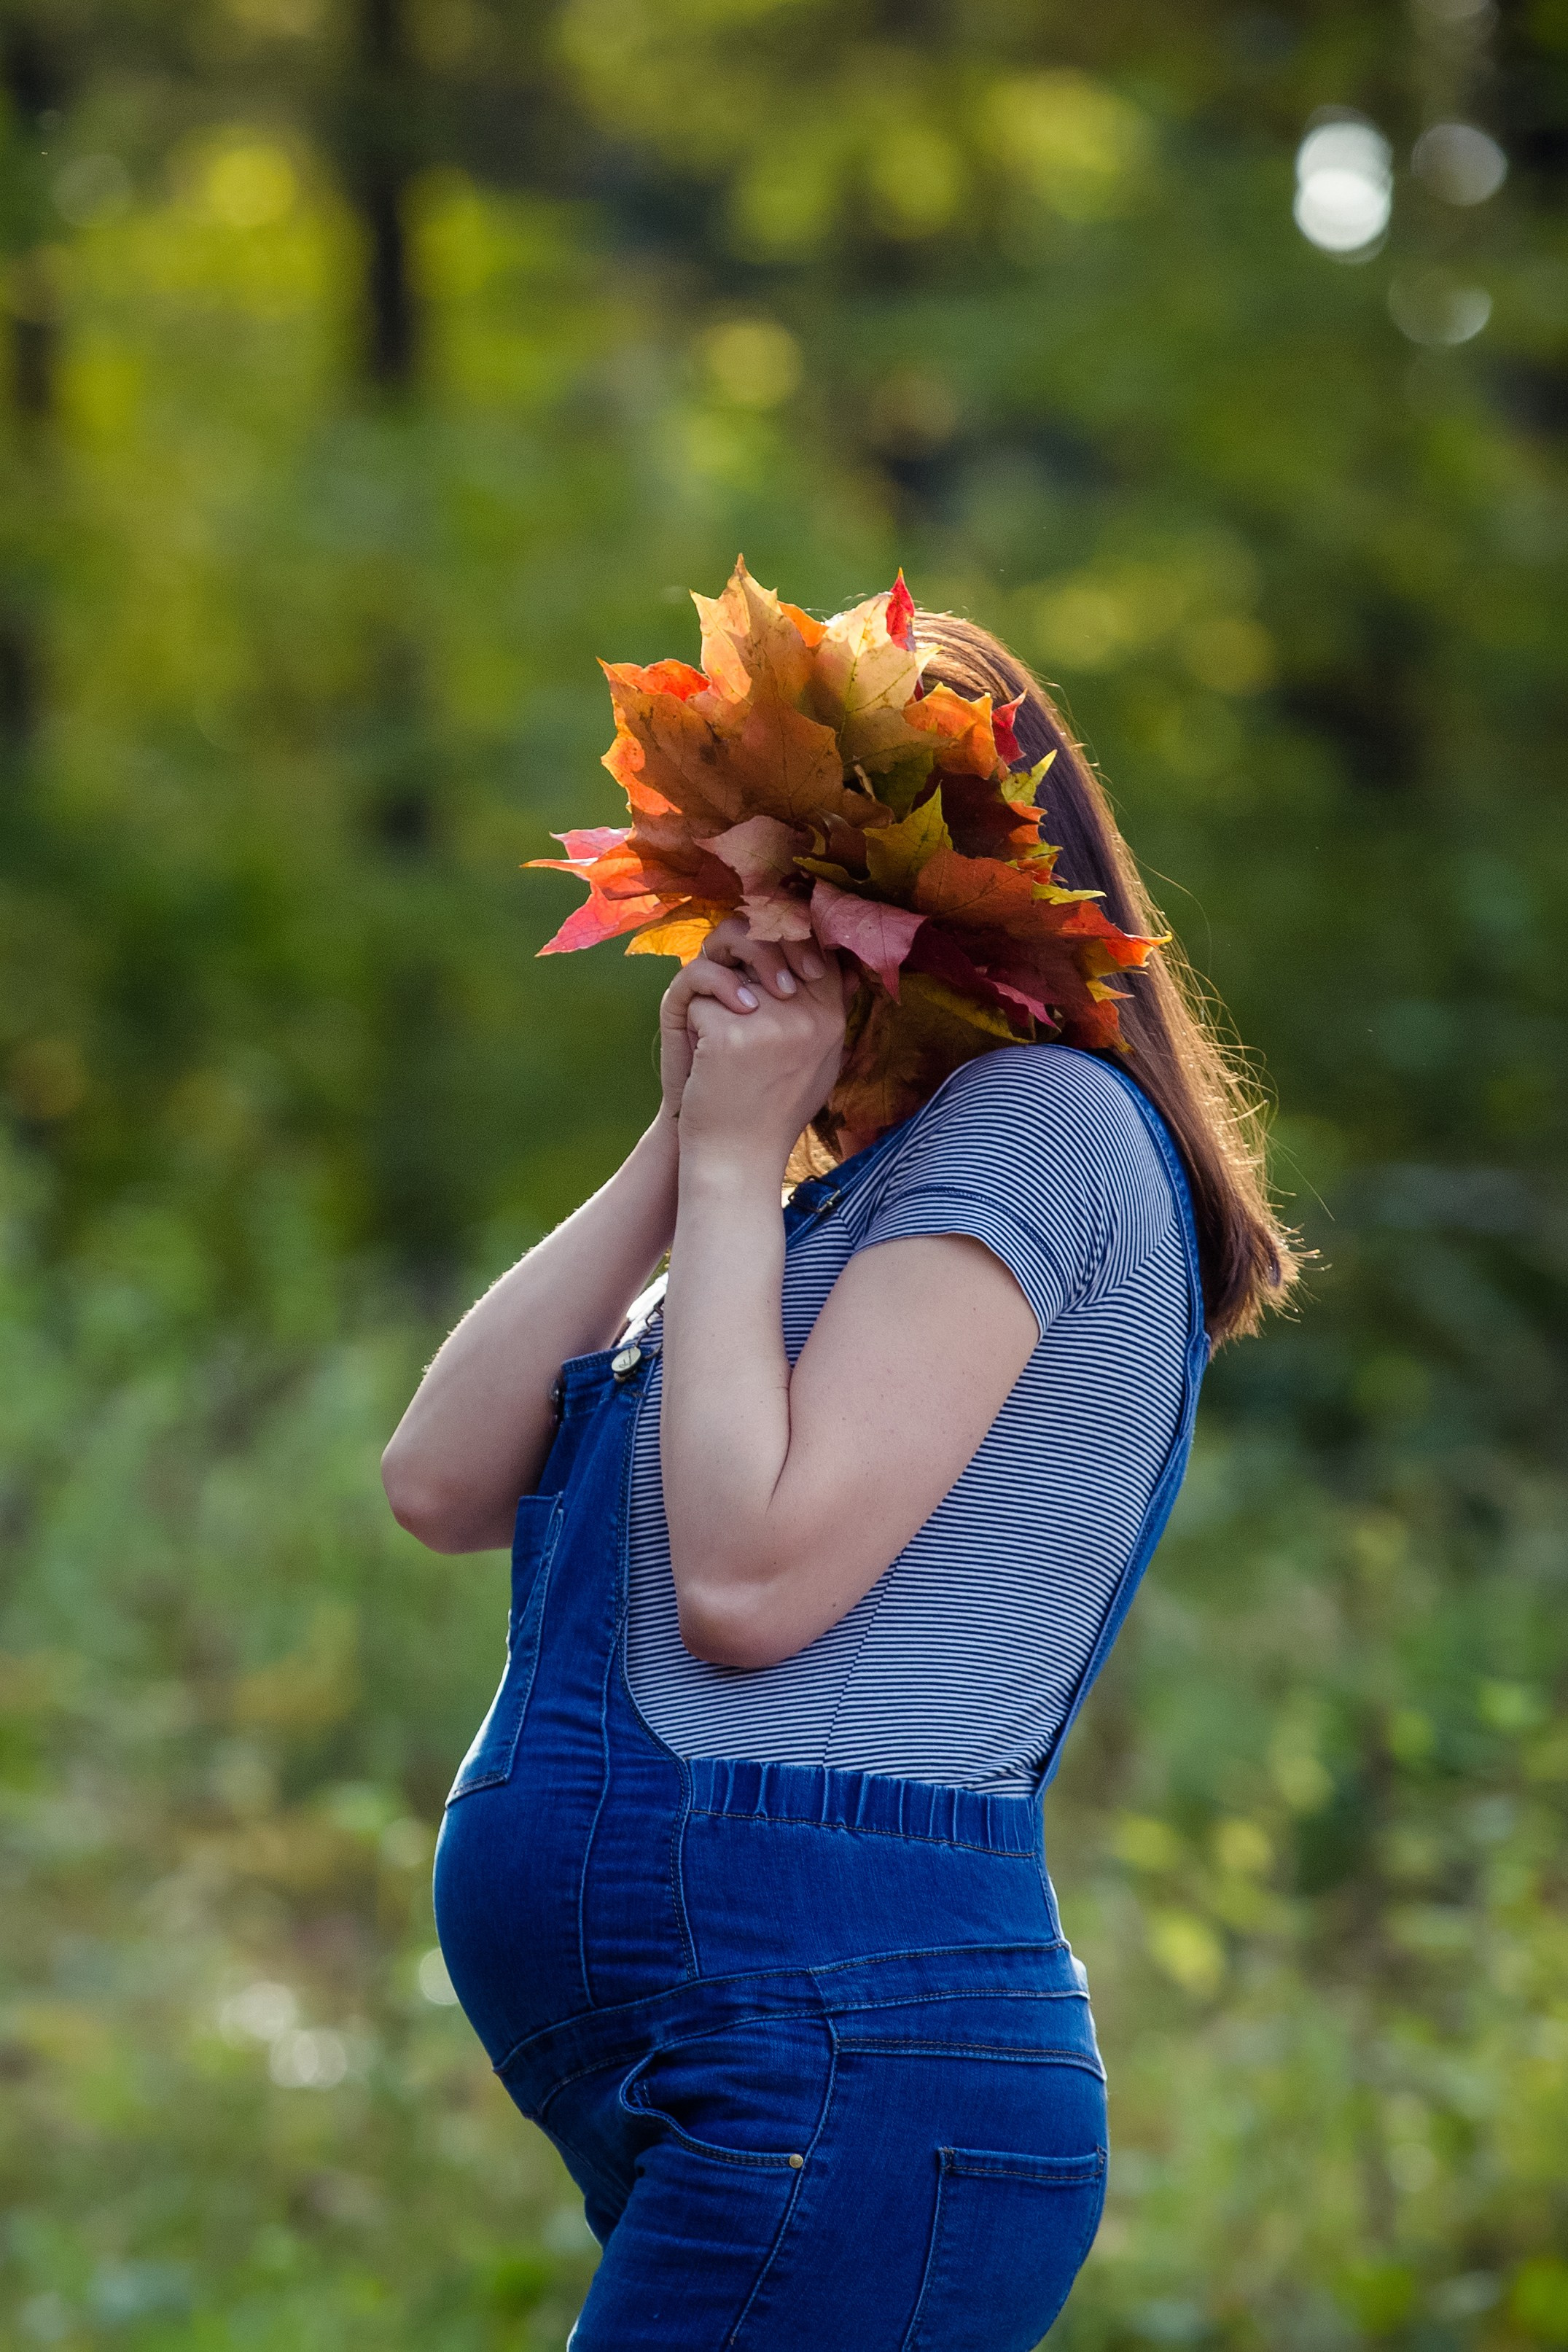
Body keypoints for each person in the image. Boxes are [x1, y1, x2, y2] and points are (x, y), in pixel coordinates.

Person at [381, 610, 1298, 2351]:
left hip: (851, 2047)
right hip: (780, 2055)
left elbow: (751, 1581)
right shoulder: (816, 1206)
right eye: (736, 900)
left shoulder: (1039, 1121)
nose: (765, 945)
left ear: (967, 895)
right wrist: (680, 1147)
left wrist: (735, 1169)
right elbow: (438, 1475)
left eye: (818, 890)